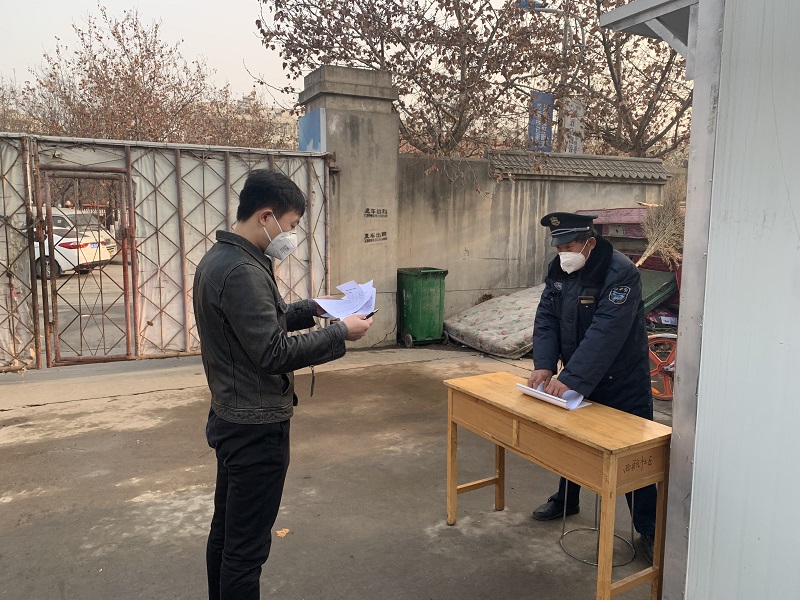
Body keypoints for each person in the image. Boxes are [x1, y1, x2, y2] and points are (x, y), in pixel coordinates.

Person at [193, 169, 373, 600]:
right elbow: (272, 352)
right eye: (291, 225)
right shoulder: (242, 270)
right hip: (256, 429)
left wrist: (314, 308)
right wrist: (341, 332)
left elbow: (256, 325)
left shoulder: (220, 258)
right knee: (246, 550)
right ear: (266, 216)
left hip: (232, 415)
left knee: (227, 533)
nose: (291, 235)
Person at [528, 211, 657, 563]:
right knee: (573, 443)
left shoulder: (620, 274)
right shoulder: (560, 270)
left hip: (621, 382)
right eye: (558, 248)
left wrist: (570, 378)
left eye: (569, 247)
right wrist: (544, 363)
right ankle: (566, 500)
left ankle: (649, 528)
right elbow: (546, 317)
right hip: (579, 376)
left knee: (633, 459)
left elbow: (606, 333)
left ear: (589, 242)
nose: (563, 254)